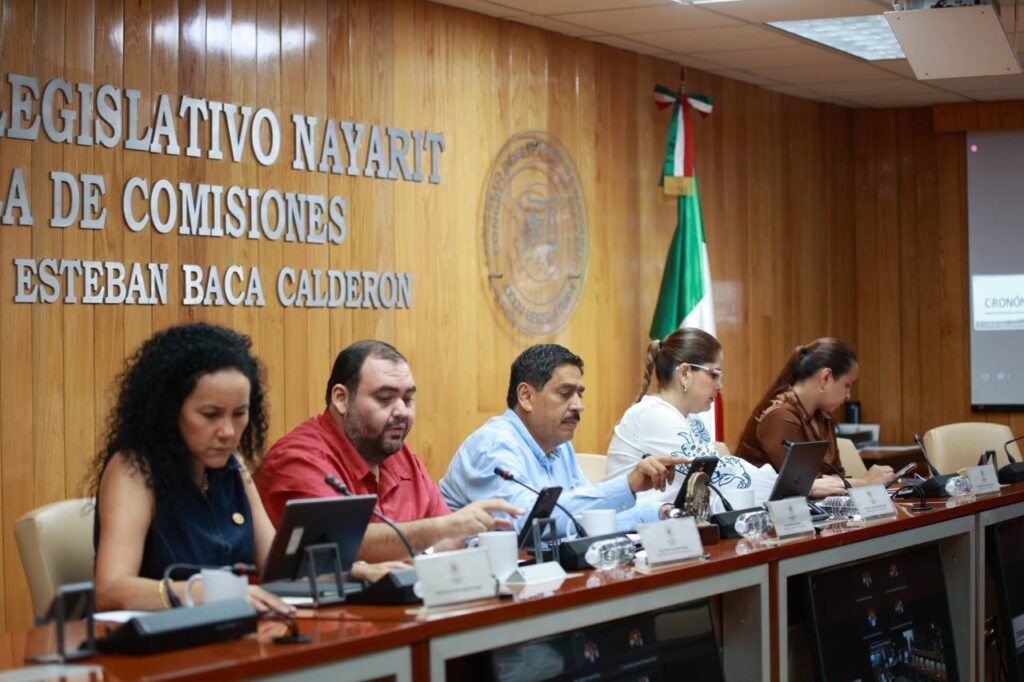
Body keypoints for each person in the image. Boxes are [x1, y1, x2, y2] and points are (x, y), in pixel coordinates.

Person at [87, 323, 293, 613]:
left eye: (239, 414)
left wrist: (347, 569)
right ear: (169, 410)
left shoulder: (234, 465)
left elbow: (277, 565)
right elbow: (110, 590)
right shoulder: (133, 470)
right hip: (155, 635)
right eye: (210, 415)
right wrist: (207, 592)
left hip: (227, 628)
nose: (228, 432)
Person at [255, 340, 520, 562]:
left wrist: (420, 552)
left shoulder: (400, 455)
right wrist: (441, 530)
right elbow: (339, 548)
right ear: (341, 399)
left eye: (408, 399)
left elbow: (453, 540)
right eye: (384, 398)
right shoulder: (300, 459)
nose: (402, 411)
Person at [440, 344, 681, 536]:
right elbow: (526, 523)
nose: (579, 405)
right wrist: (627, 484)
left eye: (580, 394)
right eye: (565, 393)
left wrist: (660, 512)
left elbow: (584, 518)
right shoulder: (493, 445)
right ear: (526, 396)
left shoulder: (559, 445)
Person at [604, 328, 841, 510]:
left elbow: (716, 480)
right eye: (714, 375)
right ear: (685, 373)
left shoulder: (691, 421)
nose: (720, 386)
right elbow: (718, 478)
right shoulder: (653, 414)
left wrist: (792, 485)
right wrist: (798, 486)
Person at [734, 338, 893, 486]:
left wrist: (855, 483)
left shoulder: (823, 416)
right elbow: (804, 484)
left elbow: (835, 475)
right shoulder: (779, 416)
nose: (848, 396)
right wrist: (865, 482)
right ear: (826, 377)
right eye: (847, 385)